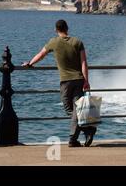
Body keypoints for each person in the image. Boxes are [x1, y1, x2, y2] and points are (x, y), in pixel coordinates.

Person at [22, 19, 96, 147]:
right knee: (73, 110)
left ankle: (73, 139)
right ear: (67, 28)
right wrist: (86, 80)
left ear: (56, 30)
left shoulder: (55, 42)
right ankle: (88, 130)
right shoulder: (77, 42)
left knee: (72, 109)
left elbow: (41, 54)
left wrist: (30, 63)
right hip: (76, 80)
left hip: (70, 81)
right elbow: (84, 62)